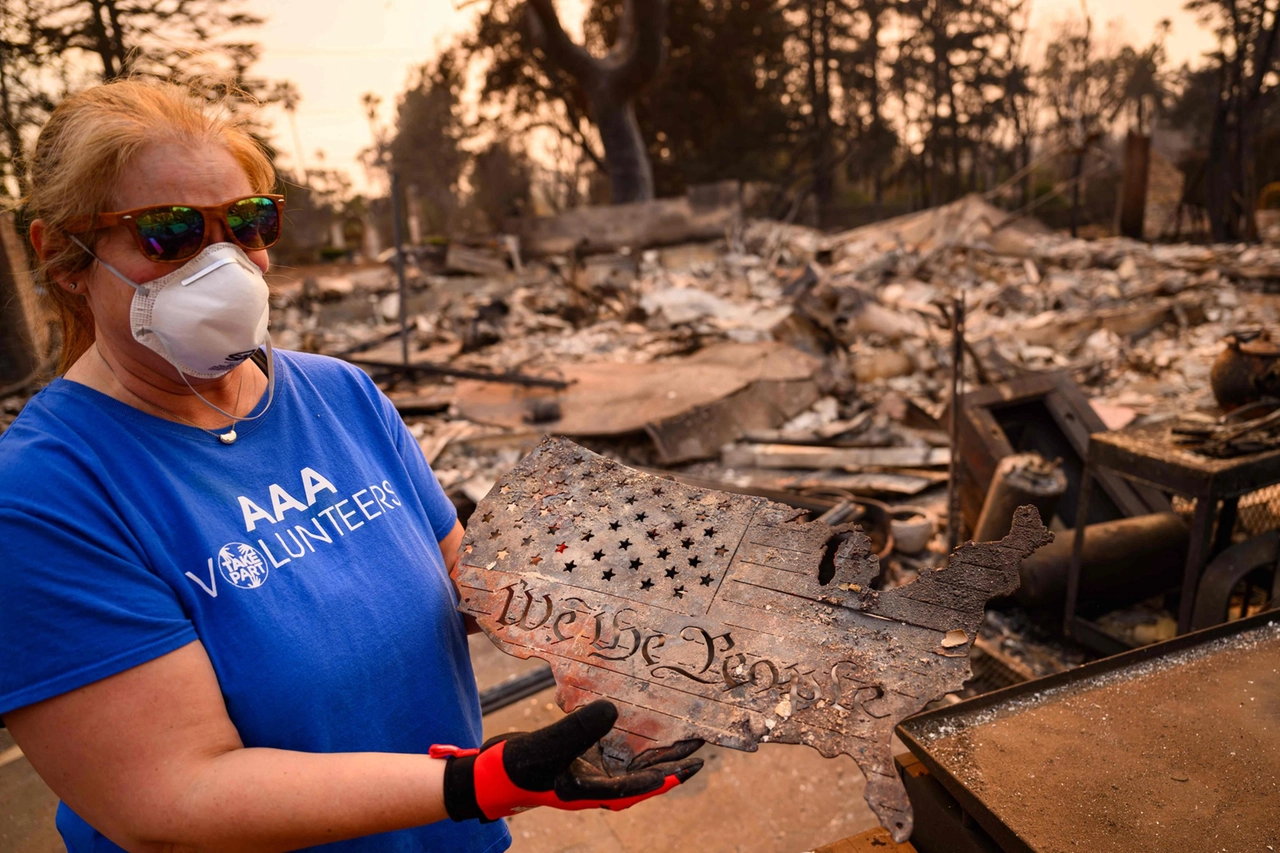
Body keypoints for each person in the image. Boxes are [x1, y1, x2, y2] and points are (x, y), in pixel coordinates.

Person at [0, 79, 701, 853]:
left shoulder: (339, 393)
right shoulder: (42, 497)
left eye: (249, 222)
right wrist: (482, 781)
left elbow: (460, 585)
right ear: (64, 257)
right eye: (170, 233)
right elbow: (171, 795)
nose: (227, 261)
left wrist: (614, 607)